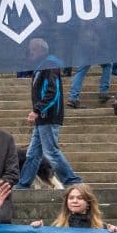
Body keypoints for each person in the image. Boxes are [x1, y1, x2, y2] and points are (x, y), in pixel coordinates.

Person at [15, 38, 81, 189]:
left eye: (32, 49)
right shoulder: (41, 66)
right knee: (32, 154)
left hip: (48, 116)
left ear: (41, 50)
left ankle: (73, 181)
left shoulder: (49, 65)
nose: (29, 52)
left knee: (51, 152)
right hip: (43, 118)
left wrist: (37, 110)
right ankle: (24, 183)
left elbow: (52, 92)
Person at [31, 183, 117, 231]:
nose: (74, 201)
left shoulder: (101, 228)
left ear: (88, 202)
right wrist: (39, 231)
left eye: (80, 198)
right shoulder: (56, 226)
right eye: (71, 198)